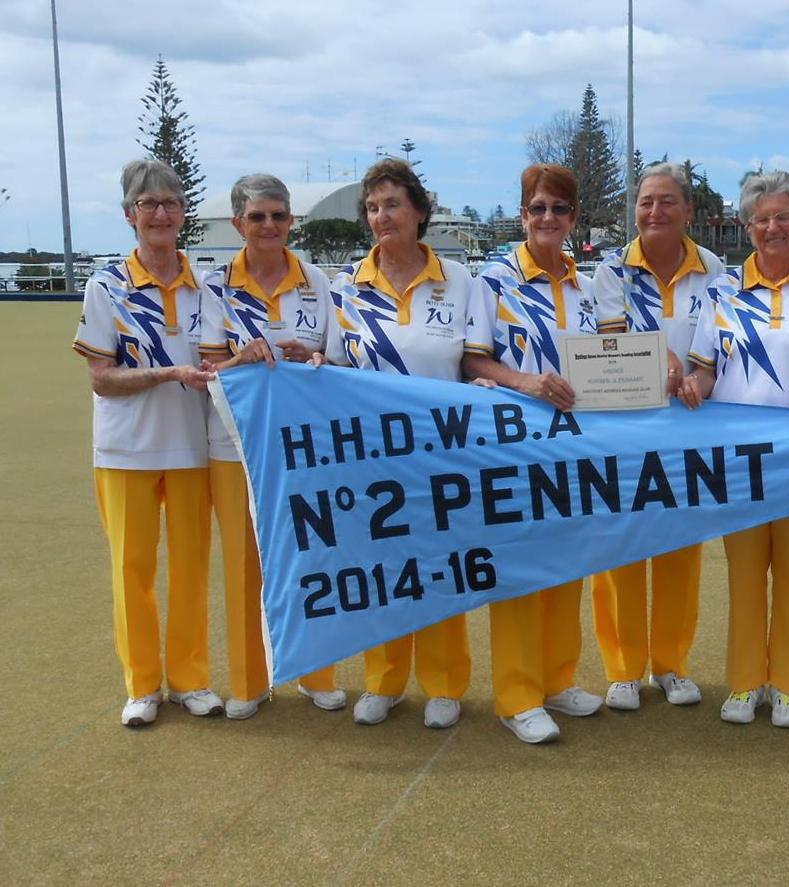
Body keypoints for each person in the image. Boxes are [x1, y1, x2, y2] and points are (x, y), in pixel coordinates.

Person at [680, 170, 789, 728]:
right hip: (738, 458)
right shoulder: (722, 289)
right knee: (745, 571)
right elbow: (706, 368)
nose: (772, 228)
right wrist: (692, 389)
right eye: (761, 219)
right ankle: (745, 682)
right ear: (747, 227)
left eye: (783, 217)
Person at [318, 159, 474, 730]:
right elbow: (333, 368)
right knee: (381, 570)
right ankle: (383, 680)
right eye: (373, 207)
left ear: (419, 212)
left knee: (441, 567)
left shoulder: (460, 282)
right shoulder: (345, 289)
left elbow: (475, 362)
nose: (382, 216)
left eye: (393, 205)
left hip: (442, 457)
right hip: (369, 460)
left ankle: (444, 684)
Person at [72, 159, 222, 727]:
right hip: (125, 451)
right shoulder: (104, 284)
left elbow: (219, 359)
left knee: (189, 568)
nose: (160, 213)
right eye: (148, 204)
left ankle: (190, 679)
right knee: (131, 569)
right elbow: (101, 378)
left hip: (190, 447)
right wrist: (168, 374)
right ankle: (142, 685)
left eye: (170, 203)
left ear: (183, 214)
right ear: (129, 214)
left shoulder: (207, 285)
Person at [462, 163, 603, 743]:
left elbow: (610, 361)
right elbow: (473, 361)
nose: (549, 218)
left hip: (574, 447)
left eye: (560, 209)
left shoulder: (588, 285)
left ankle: (556, 679)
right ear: (522, 215)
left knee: (567, 563)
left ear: (573, 218)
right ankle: (517, 694)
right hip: (513, 445)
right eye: (538, 208)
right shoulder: (491, 282)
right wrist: (529, 383)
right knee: (520, 566)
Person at [199, 174, 346, 719]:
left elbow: (336, 360)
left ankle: (318, 674)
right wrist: (243, 358)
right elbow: (204, 367)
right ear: (239, 222)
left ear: (291, 221)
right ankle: (249, 682)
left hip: (306, 447)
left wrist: (313, 360)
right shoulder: (213, 286)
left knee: (314, 558)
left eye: (278, 216)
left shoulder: (319, 282)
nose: (268, 226)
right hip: (233, 446)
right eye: (257, 217)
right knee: (245, 566)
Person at [590, 162, 724, 711]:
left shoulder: (716, 271)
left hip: (689, 432)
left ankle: (671, 664)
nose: (655, 212)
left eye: (667, 201)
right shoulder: (611, 271)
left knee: (678, 551)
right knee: (618, 548)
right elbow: (612, 340)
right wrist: (665, 359)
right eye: (646, 202)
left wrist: (699, 373)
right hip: (624, 429)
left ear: (688, 211)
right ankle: (622, 669)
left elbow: (720, 345)